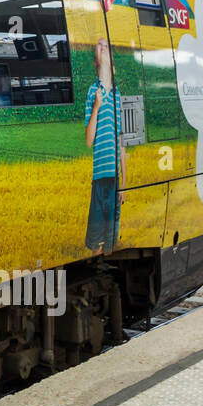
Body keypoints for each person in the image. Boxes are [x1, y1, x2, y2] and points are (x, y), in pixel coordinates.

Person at [84, 39, 126, 254]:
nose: (102, 46)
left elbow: (120, 142)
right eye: (98, 46)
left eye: (106, 46)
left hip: (115, 177)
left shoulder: (118, 95)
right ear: (96, 63)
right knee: (95, 238)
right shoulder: (93, 93)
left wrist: (124, 183)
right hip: (99, 176)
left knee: (110, 237)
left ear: (113, 66)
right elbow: (89, 140)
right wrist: (96, 107)